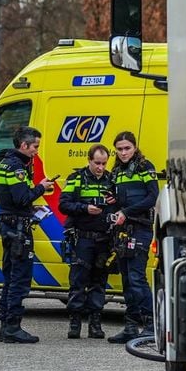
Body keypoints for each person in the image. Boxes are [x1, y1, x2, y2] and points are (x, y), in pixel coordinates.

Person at [0, 125, 56, 343]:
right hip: (18, 230)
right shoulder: (16, 168)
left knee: (10, 279)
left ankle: (6, 326)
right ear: (24, 145)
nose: (36, 151)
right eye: (35, 146)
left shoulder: (4, 164)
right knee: (19, 279)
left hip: (10, 227)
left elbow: (12, 199)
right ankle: (12, 328)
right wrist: (41, 187)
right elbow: (21, 198)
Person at [59, 144, 117, 339]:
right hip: (83, 238)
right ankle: (75, 322)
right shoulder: (76, 178)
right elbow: (63, 204)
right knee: (78, 281)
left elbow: (121, 206)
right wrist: (84, 208)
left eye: (103, 163)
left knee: (99, 282)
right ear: (89, 160)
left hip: (104, 239)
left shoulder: (112, 179)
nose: (100, 167)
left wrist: (113, 203)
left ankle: (95, 323)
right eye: (96, 163)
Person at [107, 130, 157, 343]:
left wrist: (126, 212)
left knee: (137, 278)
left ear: (135, 147)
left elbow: (152, 197)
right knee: (127, 279)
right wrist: (114, 202)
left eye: (127, 148)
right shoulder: (117, 170)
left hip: (141, 228)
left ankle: (152, 325)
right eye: (119, 149)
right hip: (123, 230)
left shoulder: (146, 167)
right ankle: (130, 326)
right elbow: (121, 201)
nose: (123, 152)